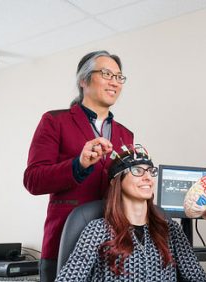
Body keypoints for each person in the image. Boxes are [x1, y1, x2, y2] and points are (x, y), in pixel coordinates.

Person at [23, 50, 134, 282]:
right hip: (65, 241)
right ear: (83, 80)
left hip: (113, 248)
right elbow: (33, 180)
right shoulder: (54, 121)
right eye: (106, 73)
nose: (115, 81)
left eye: (119, 76)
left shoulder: (126, 135)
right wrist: (79, 164)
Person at [55, 144, 206, 281]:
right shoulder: (98, 230)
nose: (148, 177)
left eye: (150, 171)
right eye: (137, 171)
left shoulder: (171, 230)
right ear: (117, 181)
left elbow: (198, 278)